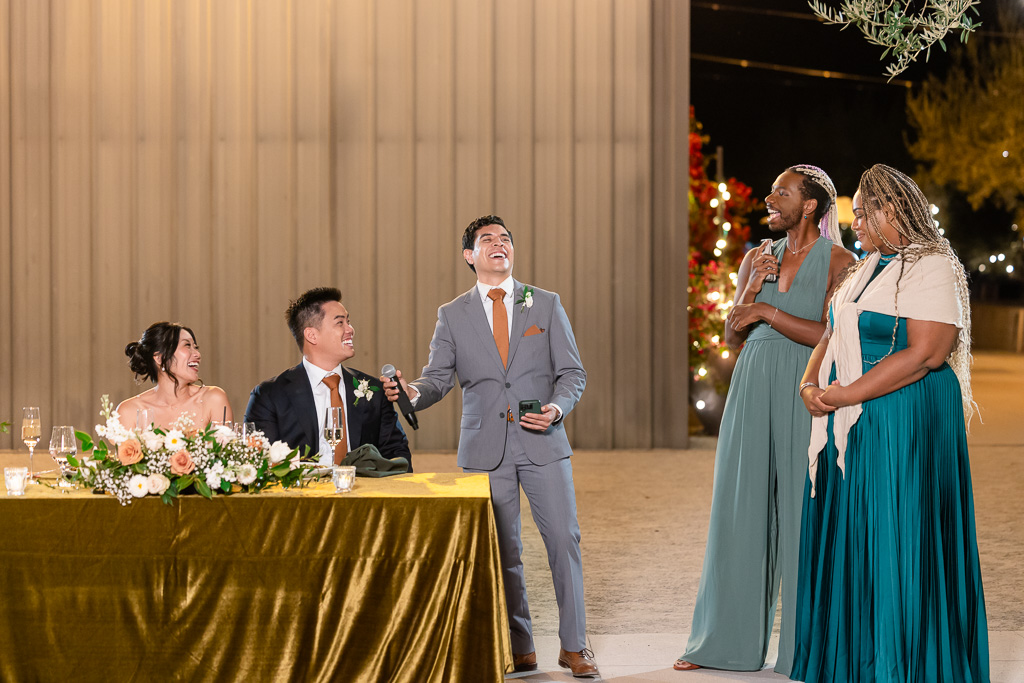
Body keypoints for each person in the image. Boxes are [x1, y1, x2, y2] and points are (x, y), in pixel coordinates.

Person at [791, 164, 988, 682]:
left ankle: (905, 662)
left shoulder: (933, 266)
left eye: (863, 213)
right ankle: (858, 659)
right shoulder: (863, 267)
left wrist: (843, 395)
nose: (853, 222)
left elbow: (928, 352)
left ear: (892, 210)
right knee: (860, 532)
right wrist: (810, 386)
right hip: (857, 417)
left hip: (909, 418)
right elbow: (831, 334)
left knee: (900, 533)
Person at [382, 215, 597, 677]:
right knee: (502, 550)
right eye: (487, 240)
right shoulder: (452, 314)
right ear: (469, 256)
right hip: (485, 449)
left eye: (505, 238)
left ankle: (575, 646)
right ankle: (521, 647)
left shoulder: (545, 303)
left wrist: (557, 409)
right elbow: (437, 379)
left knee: (564, 540)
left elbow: (572, 373)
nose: (499, 244)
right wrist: (410, 392)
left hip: (543, 441)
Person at [675, 166, 855, 675]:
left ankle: (804, 650)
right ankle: (721, 644)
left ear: (812, 206)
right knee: (741, 507)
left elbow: (830, 333)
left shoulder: (841, 261)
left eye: (783, 193)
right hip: (752, 387)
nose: (770, 200)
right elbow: (735, 332)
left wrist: (765, 313)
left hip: (803, 388)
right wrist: (750, 288)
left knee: (802, 510)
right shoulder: (758, 256)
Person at [244, 287, 412, 468]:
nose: (350, 329)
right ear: (312, 335)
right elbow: (257, 463)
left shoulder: (374, 390)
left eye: (349, 321)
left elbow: (398, 456)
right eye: (340, 323)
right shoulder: (270, 395)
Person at [117, 322, 234, 431]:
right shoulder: (129, 411)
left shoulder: (214, 399)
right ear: (159, 358)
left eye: (196, 347)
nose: (198, 354)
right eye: (187, 345)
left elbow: (225, 450)